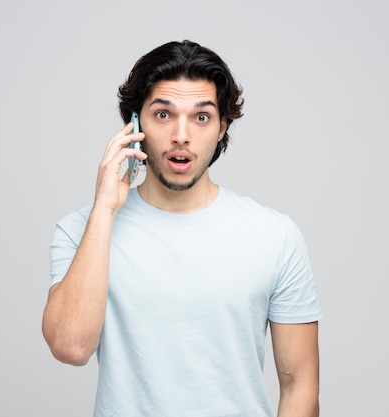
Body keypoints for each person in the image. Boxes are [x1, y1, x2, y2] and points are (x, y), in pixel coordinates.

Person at [42, 40, 322, 417]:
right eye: (162, 115)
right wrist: (104, 209)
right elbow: (70, 346)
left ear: (223, 126)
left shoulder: (275, 236)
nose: (181, 135)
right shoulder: (83, 229)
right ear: (135, 123)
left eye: (202, 117)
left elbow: (299, 384)